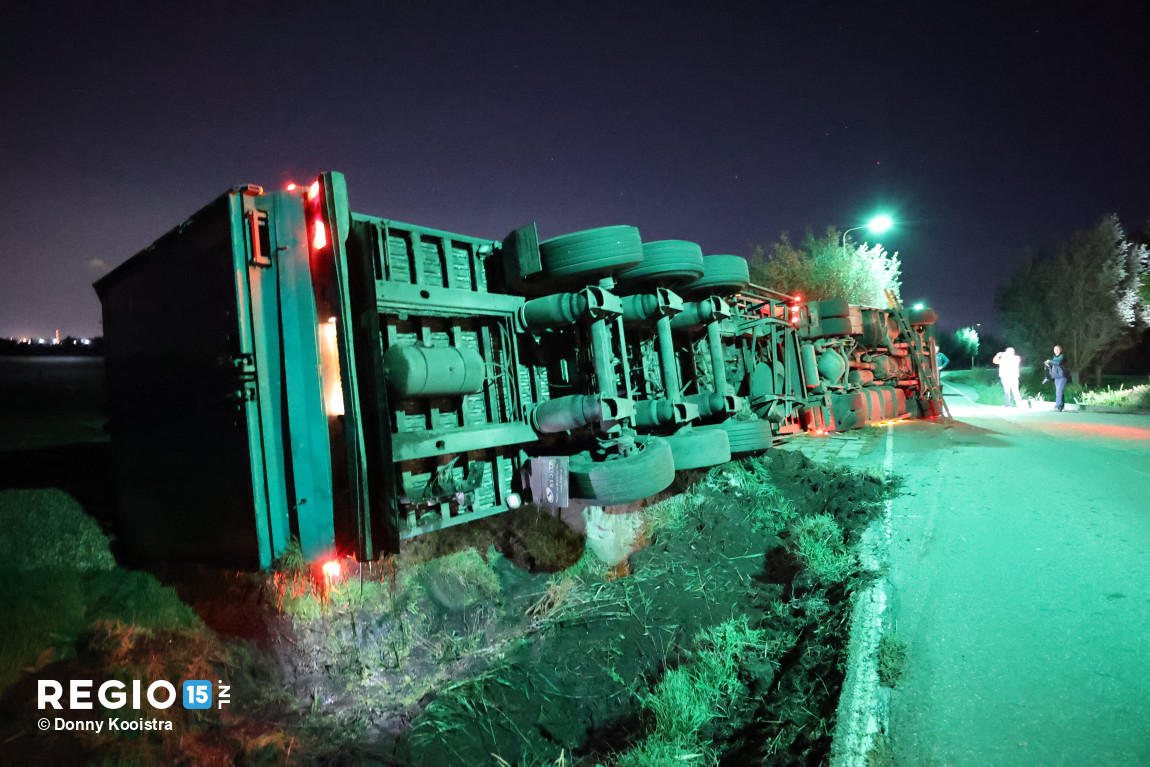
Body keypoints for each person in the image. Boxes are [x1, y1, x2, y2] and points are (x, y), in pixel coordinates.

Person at [1043, 345, 1068, 411]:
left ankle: (1057, 406)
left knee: (1059, 391)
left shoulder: (1062, 356)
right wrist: (1048, 364)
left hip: (1062, 376)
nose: (1056, 351)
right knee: (1059, 392)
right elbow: (1053, 366)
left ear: (1061, 350)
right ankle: (1061, 407)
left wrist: (1050, 361)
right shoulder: (1054, 357)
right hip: (1056, 377)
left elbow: (1059, 363)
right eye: (1055, 349)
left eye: (1057, 349)